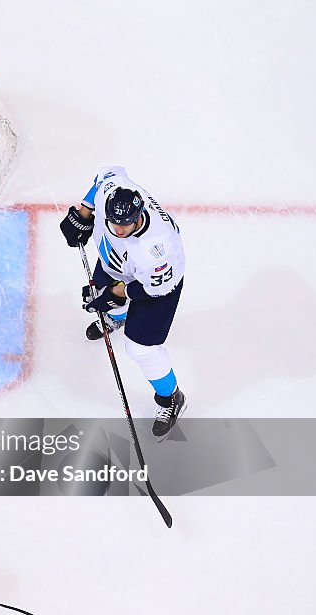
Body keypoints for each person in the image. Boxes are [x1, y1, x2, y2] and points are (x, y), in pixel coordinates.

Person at [59, 166, 187, 438]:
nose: (117, 229)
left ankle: (170, 398)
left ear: (139, 217)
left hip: (159, 286)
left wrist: (115, 294)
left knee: (140, 349)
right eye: (113, 223)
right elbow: (104, 176)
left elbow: (149, 289)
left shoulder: (157, 251)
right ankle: (117, 317)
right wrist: (84, 213)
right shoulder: (112, 192)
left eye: (125, 225)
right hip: (118, 264)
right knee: (107, 292)